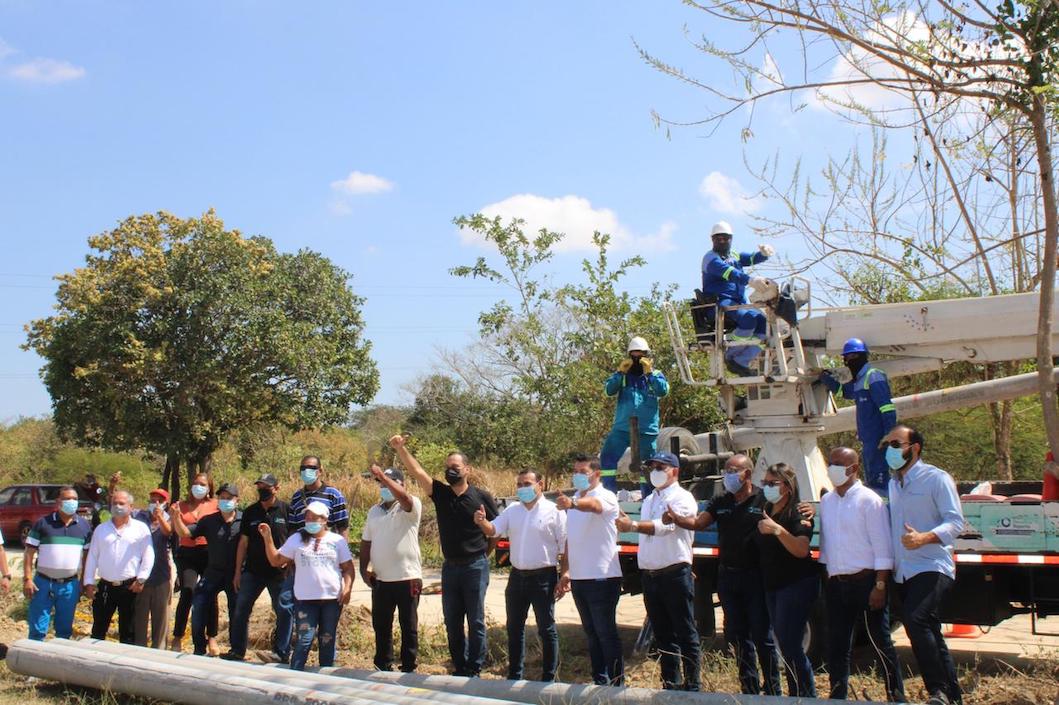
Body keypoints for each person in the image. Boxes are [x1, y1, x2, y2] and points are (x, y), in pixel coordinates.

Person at [664, 454, 781, 696]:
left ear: (746, 474)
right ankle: (748, 688)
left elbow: (786, 513)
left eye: (732, 470)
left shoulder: (763, 500)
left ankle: (772, 690)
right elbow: (699, 523)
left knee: (762, 636)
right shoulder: (721, 500)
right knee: (737, 635)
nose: (727, 475)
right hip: (728, 577)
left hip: (755, 578)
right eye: (726, 470)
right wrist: (676, 519)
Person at [389, 434, 499, 677]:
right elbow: (418, 472)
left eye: (455, 467)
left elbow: (496, 531)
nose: (450, 471)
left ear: (467, 470)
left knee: (476, 620)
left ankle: (475, 667)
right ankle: (459, 667)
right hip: (450, 568)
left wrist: (483, 553)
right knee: (452, 621)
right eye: (447, 468)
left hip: (475, 566)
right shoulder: (441, 493)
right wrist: (400, 449)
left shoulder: (481, 498)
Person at [884, 424, 965, 705]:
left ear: (914, 448)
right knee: (928, 628)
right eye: (887, 445)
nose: (889, 450)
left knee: (915, 619)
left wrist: (924, 538)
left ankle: (937, 690)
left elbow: (955, 522)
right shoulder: (894, 484)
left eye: (896, 444)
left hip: (932, 564)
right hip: (903, 570)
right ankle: (951, 695)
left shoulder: (936, 479)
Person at [819, 446, 905, 702]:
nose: (832, 468)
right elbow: (827, 545)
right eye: (830, 462)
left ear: (853, 468)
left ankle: (896, 696)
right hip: (837, 583)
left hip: (866, 582)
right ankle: (838, 696)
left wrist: (880, 585)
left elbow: (882, 546)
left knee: (881, 643)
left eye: (838, 463)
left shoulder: (869, 500)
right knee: (838, 646)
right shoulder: (827, 501)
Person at [615, 451, 700, 691]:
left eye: (661, 467)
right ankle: (670, 684)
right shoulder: (651, 499)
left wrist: (631, 525)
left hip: (674, 573)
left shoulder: (683, 498)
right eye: (652, 466)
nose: (655, 471)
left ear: (675, 471)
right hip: (651, 576)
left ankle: (693, 684)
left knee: (685, 631)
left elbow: (665, 528)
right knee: (663, 634)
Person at [474, 469, 566, 682]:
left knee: (546, 628)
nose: (523, 488)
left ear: (540, 485)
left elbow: (565, 546)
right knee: (514, 627)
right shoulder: (512, 510)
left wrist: (564, 575)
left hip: (544, 577)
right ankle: (515, 676)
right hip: (517, 577)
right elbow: (493, 530)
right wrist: (481, 522)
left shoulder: (554, 511)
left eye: (527, 483)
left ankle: (548, 678)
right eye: (520, 484)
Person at [259, 501, 354, 671]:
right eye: (307, 517)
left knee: (327, 638)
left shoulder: (337, 541)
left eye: (314, 517)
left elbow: (348, 568)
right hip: (305, 600)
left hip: (331, 599)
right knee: (304, 639)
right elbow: (276, 560)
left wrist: (347, 588)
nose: (309, 520)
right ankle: (296, 674)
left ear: (324, 520)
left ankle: (325, 676)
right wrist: (268, 539)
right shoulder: (297, 539)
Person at [555, 454, 624, 686]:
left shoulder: (606, 496)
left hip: (602, 578)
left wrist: (573, 503)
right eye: (575, 471)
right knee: (592, 634)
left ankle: (617, 685)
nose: (577, 476)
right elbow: (569, 541)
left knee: (606, 634)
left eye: (582, 472)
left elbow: (594, 507)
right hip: (580, 579)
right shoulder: (575, 498)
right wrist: (566, 571)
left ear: (596, 474)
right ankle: (600, 681)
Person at [752, 463, 819, 698]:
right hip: (773, 586)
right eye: (765, 483)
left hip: (796, 585)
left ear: (788, 487)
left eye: (772, 483)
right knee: (784, 643)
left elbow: (801, 549)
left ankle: (806, 695)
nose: (767, 487)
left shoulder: (798, 512)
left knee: (791, 644)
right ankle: (794, 694)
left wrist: (778, 531)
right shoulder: (765, 508)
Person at [360, 465, 423, 673]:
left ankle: (408, 666)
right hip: (381, 579)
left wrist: (385, 478)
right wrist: (363, 570)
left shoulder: (411, 505)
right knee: (381, 625)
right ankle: (383, 664)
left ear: (401, 484)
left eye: (387, 483)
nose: (383, 487)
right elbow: (366, 542)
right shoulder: (374, 511)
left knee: (409, 625)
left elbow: (403, 498)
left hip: (408, 577)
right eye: (380, 483)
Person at [226, 474, 294, 663]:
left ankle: (281, 653)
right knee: (241, 609)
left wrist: (290, 563)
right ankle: (237, 651)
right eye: (260, 487)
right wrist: (238, 571)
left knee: (284, 611)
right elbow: (243, 543)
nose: (262, 490)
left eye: (267, 487)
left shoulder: (287, 511)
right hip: (253, 571)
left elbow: (294, 540)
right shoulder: (250, 512)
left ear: (277, 488)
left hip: (279, 572)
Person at [170, 482, 242, 657]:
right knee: (199, 604)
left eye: (229, 498)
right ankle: (199, 648)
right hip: (213, 572)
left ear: (237, 501)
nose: (225, 501)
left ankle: (236, 650)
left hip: (235, 574)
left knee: (237, 612)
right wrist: (177, 518)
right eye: (222, 498)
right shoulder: (209, 521)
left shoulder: (244, 520)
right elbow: (185, 534)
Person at [819, 338, 897, 494]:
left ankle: (884, 511)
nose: (848, 362)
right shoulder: (859, 380)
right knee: (872, 479)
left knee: (880, 480)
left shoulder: (873, 376)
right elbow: (844, 392)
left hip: (879, 439)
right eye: (847, 358)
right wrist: (825, 378)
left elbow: (887, 408)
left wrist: (889, 435)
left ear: (861, 356)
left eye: (851, 357)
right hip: (868, 439)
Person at [700, 220, 775, 376]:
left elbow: (750, 259)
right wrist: (751, 280)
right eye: (718, 238)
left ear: (730, 239)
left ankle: (742, 361)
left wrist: (763, 255)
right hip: (720, 303)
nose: (722, 241)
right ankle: (730, 354)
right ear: (712, 239)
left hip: (739, 302)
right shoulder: (711, 259)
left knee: (765, 326)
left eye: (725, 238)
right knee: (748, 320)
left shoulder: (733, 254)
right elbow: (729, 272)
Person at [83, 490, 155, 644]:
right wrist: (88, 582)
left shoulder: (140, 528)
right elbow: (92, 557)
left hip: (130, 587)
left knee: (128, 631)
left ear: (131, 506)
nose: (117, 506)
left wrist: (141, 579)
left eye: (122, 503)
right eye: (115, 503)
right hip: (105, 588)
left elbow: (148, 555)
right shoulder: (101, 529)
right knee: (98, 630)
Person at [599, 336, 670, 492]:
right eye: (634, 355)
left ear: (647, 355)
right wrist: (619, 373)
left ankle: (648, 499)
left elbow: (663, 391)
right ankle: (609, 496)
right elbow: (609, 390)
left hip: (646, 430)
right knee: (607, 458)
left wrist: (649, 374)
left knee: (647, 466)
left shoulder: (656, 374)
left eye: (641, 355)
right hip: (622, 428)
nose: (637, 359)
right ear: (629, 355)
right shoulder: (623, 375)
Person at [23, 486, 93, 640]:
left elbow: (87, 557)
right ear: (58, 502)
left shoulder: (84, 526)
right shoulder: (43, 523)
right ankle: (34, 661)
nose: (72, 502)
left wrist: (84, 581)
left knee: (64, 630)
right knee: (37, 629)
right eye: (67, 499)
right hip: (42, 584)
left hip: (70, 586)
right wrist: (27, 579)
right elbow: (29, 553)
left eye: (74, 499)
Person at [171, 472, 220, 654]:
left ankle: (212, 637)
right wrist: (174, 517)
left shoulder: (215, 505)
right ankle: (177, 636)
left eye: (203, 484)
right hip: (187, 553)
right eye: (196, 483)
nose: (198, 487)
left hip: (209, 553)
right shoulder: (180, 506)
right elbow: (171, 530)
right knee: (188, 591)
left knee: (210, 594)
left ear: (209, 488)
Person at [133, 488, 174, 649]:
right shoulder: (138, 517)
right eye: (152, 500)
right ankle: (139, 652)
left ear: (165, 503)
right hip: (141, 577)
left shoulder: (169, 518)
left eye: (159, 500)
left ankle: (159, 652)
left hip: (161, 575)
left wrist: (159, 517)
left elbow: (168, 532)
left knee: (161, 618)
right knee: (140, 619)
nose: (155, 503)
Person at [289, 456, 349, 537]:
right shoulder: (296, 497)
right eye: (303, 468)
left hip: (327, 547)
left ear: (320, 471)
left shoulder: (334, 495)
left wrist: (343, 548)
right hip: (303, 547)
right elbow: (293, 528)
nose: (306, 471)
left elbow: (342, 527)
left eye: (311, 467)